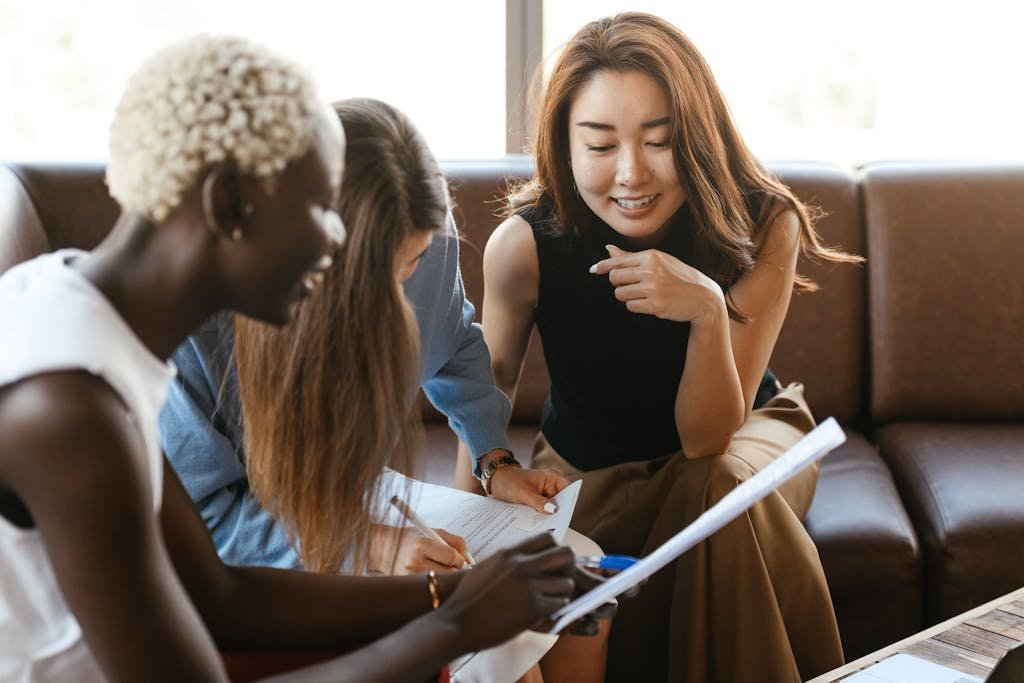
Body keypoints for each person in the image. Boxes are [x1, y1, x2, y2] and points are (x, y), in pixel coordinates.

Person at [0, 35, 577, 682]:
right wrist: (455, 624)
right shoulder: (67, 408)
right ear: (231, 206)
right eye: (320, 208)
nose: (336, 239)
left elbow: (222, 596)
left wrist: (458, 594)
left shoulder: (87, 321)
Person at [454, 12, 862, 683]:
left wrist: (706, 310)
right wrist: (463, 531)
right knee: (709, 496)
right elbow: (483, 392)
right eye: (600, 145)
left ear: (697, 137)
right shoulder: (523, 246)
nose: (632, 174)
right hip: (590, 467)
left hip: (747, 440)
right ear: (564, 145)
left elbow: (708, 440)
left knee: (716, 485)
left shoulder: (765, 224)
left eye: (659, 140)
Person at [171, 96, 612, 682]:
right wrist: (369, 547)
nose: (401, 290)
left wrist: (493, 459)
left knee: (578, 569)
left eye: (414, 261)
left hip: (356, 494)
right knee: (503, 650)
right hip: (257, 552)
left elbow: (455, 344)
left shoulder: (428, 247)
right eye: (381, 270)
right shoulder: (197, 324)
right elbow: (202, 525)